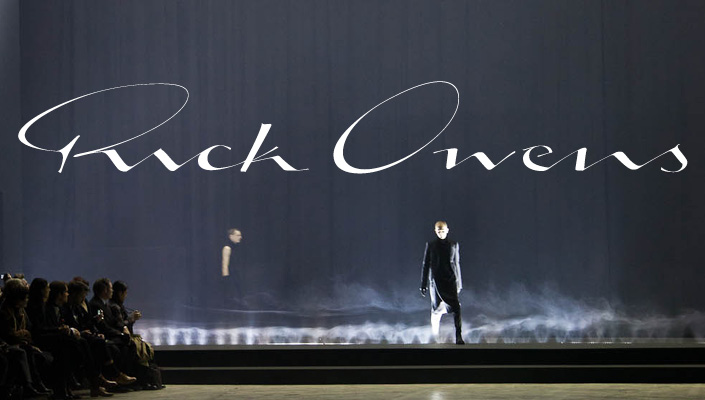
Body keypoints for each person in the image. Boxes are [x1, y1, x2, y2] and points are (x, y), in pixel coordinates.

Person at [420, 221, 464, 344]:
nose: (441, 233)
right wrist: (423, 284)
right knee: (436, 311)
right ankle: (435, 337)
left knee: (456, 308)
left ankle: (458, 336)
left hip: (450, 281)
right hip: (436, 282)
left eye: (443, 231)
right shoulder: (431, 245)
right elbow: (426, 264)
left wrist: (459, 283)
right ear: (435, 231)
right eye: (439, 231)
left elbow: (456, 263)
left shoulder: (453, 245)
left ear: (447, 230)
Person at [221, 228, 243, 306]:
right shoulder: (227, 248)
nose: (240, 237)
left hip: (235, 275)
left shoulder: (235, 248)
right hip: (230, 277)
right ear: (231, 236)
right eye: (238, 235)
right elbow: (225, 265)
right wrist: (226, 280)